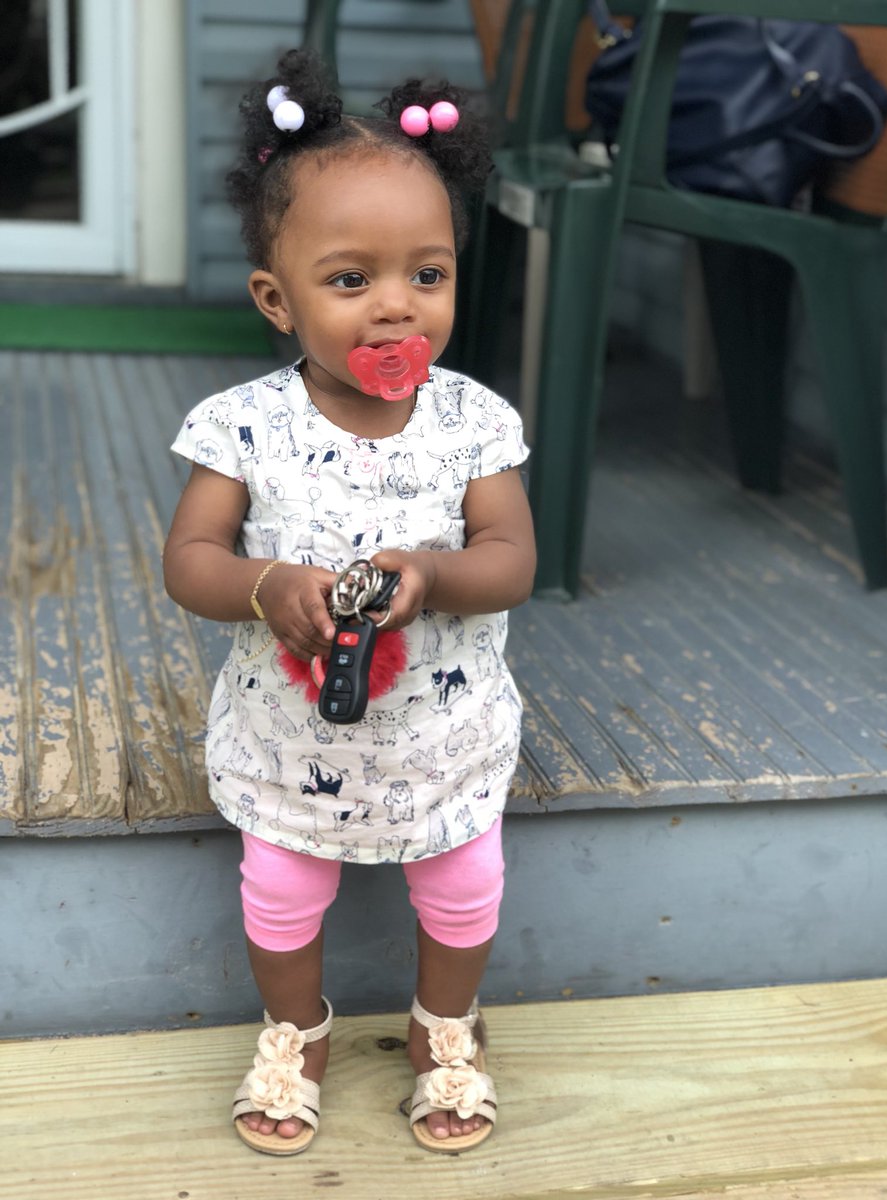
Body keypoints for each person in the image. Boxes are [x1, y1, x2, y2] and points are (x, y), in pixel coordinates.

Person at [162, 47, 536, 1158]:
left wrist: (434, 572)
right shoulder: (243, 426)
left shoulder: (473, 422)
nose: (395, 308)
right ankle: (296, 1032)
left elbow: (512, 557)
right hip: (291, 737)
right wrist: (266, 583)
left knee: (466, 878)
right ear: (276, 300)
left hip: (441, 732)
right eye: (350, 281)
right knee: (281, 884)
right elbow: (190, 559)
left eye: (428, 274)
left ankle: (444, 1028)